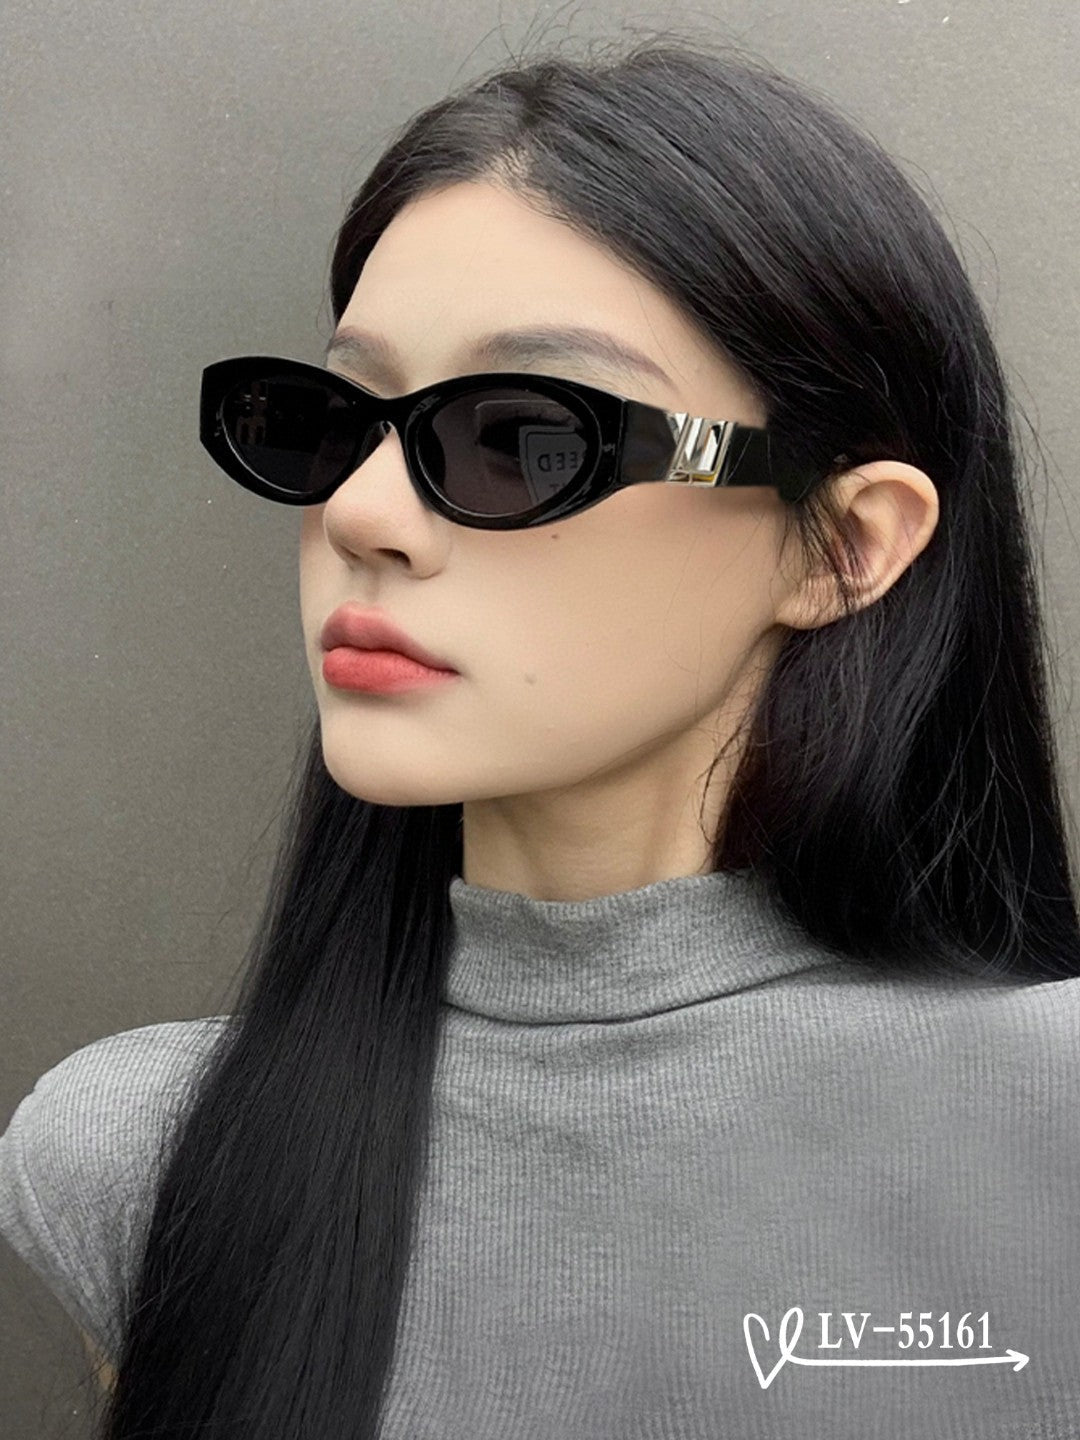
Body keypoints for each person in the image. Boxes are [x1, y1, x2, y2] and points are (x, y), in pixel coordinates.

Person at [2, 30, 1079, 1440]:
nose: (362, 514)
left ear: (843, 546)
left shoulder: (1049, 1126)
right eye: (330, 421)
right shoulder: (144, 1160)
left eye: (520, 435)